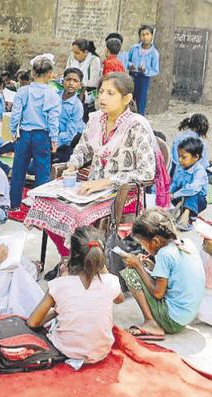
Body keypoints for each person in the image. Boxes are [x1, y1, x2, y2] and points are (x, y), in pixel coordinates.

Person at [57, 72, 159, 258]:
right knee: (51, 208)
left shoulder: (137, 126)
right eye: (101, 91)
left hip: (122, 195)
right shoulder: (96, 119)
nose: (102, 97)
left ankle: (85, 261)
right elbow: (83, 149)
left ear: (126, 98)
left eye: (110, 93)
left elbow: (147, 172)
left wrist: (106, 182)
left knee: (76, 216)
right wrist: (72, 166)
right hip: (91, 189)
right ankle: (71, 258)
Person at [27, 226, 124, 364]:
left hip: (65, 350)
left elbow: (32, 322)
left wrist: (56, 311)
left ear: (72, 255)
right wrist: (102, 268)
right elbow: (120, 299)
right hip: (101, 351)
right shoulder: (110, 281)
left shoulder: (60, 284)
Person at [121, 209, 205, 338]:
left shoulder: (164, 254)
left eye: (142, 244)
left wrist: (138, 266)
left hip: (172, 321)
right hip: (187, 316)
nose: (143, 248)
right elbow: (174, 275)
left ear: (155, 241)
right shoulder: (186, 243)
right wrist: (151, 266)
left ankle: (151, 323)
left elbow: (158, 293)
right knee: (141, 271)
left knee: (130, 273)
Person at [9, 55, 61, 209]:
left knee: (18, 170)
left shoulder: (23, 91)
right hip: (42, 136)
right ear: (50, 74)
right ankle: (40, 207)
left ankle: (14, 204)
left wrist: (13, 131)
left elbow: (15, 114)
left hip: (24, 134)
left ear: (32, 73)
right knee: (42, 172)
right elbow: (53, 120)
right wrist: (54, 139)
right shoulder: (53, 94)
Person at [171, 137, 208, 231]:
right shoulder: (180, 168)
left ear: (196, 157)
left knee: (192, 194)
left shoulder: (199, 171)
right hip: (181, 197)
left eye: (183, 157)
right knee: (173, 193)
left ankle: (186, 217)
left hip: (198, 201)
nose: (179, 160)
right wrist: (170, 193)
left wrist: (175, 195)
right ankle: (181, 211)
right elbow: (175, 183)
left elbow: (193, 188)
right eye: (179, 156)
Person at [128, 25, 160, 115]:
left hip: (143, 79)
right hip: (132, 76)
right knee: (128, 100)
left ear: (151, 36)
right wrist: (130, 65)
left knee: (140, 103)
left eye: (147, 34)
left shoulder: (154, 53)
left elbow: (155, 70)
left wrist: (145, 70)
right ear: (139, 36)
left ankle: (139, 121)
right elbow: (128, 60)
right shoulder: (134, 48)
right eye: (142, 34)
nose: (145, 37)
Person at [55, 68, 85, 163]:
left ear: (80, 85)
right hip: (51, 137)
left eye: (75, 81)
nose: (71, 83)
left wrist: (53, 143)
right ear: (63, 81)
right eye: (68, 80)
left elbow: (70, 135)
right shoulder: (55, 96)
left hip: (67, 143)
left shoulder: (77, 106)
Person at [66, 38, 101, 105]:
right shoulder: (71, 57)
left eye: (77, 53)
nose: (74, 55)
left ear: (85, 52)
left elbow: (94, 82)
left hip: (86, 95)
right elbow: (66, 73)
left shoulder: (94, 60)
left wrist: (80, 84)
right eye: (73, 52)